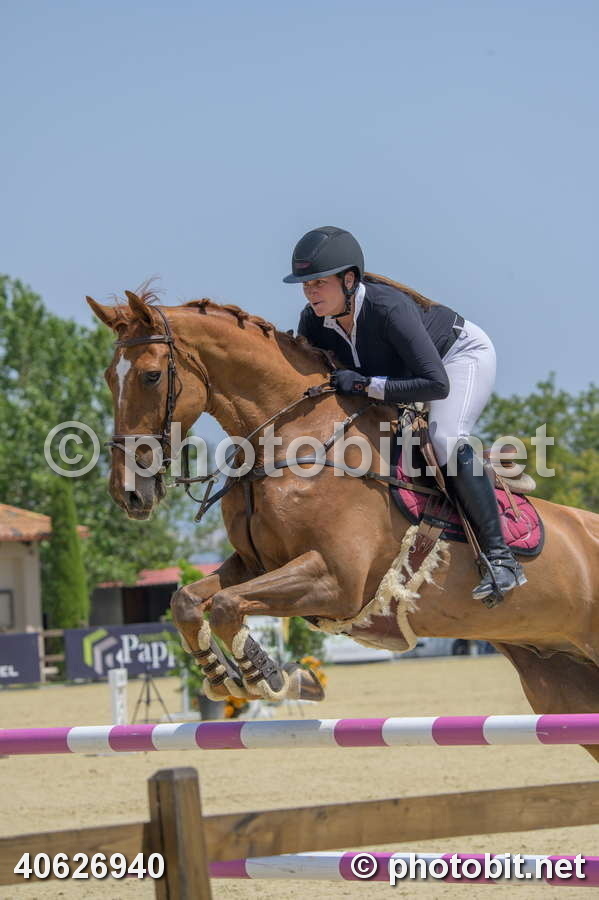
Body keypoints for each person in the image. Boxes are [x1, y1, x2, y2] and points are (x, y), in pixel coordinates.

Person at [283, 225, 527, 604]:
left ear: (349, 280)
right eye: (306, 284)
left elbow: (436, 385)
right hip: (403, 375)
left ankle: (501, 558)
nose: (310, 291)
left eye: (319, 282)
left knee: (445, 438)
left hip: (457, 359)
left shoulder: (388, 309)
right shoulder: (314, 321)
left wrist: (365, 385)